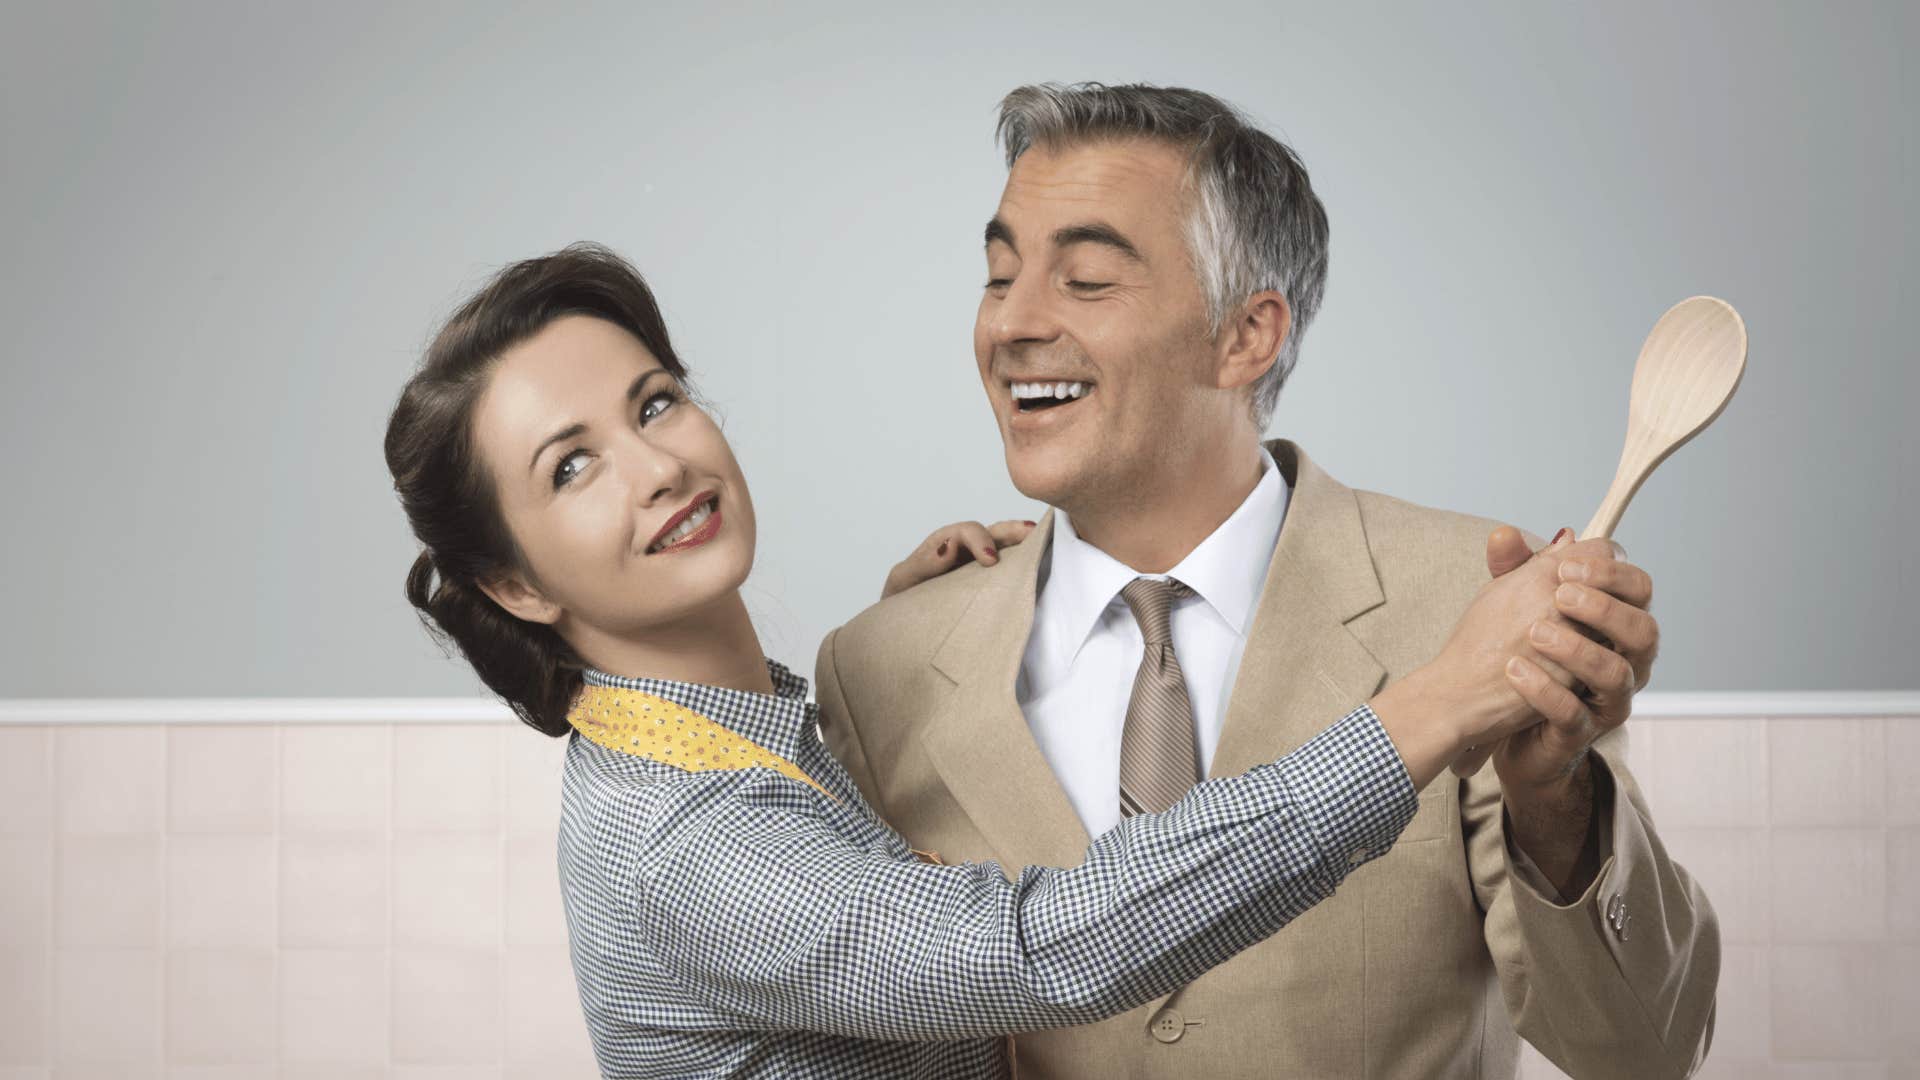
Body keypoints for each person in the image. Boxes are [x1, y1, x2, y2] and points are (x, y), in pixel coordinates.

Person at [383, 243, 1639, 1079]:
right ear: (515, 582)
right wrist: (1436, 701)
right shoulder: (682, 845)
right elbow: (1034, 952)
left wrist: (905, 638)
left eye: (655, 402)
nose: (657, 466)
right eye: (572, 466)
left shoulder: (761, 718)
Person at [816, 82, 1718, 1080]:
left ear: (1247, 335)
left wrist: (1554, 803)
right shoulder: (878, 667)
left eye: (1084, 281)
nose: (1011, 325)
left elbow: (1642, 1050)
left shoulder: (1477, 603)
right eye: (997, 276)